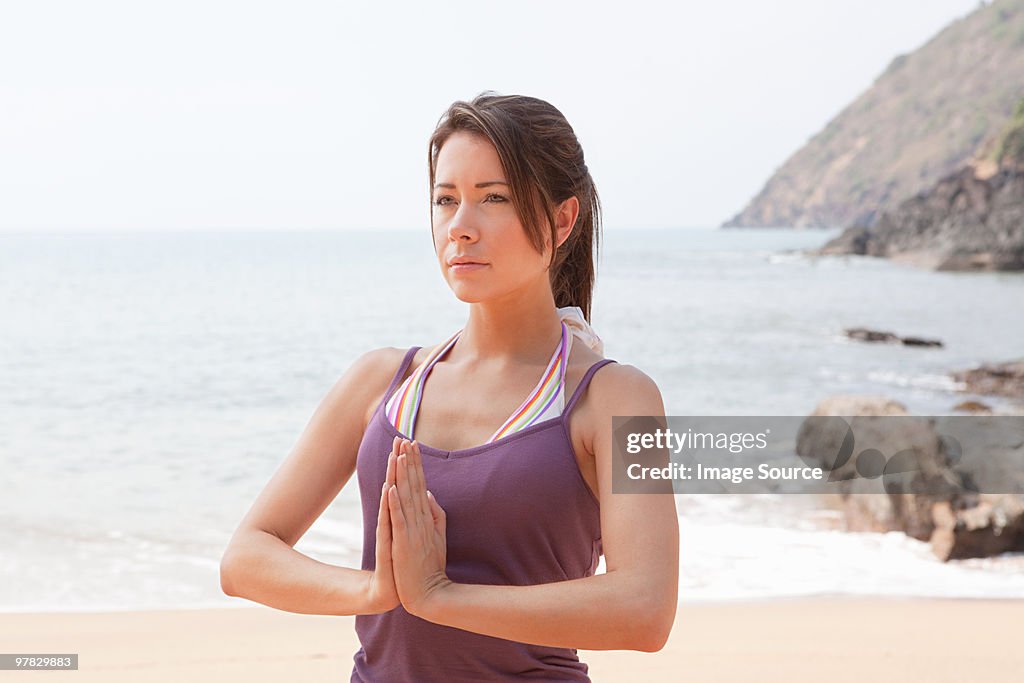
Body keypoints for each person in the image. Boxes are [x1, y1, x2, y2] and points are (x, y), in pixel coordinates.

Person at [220, 92, 679, 682]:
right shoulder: (382, 381)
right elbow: (246, 558)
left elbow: (646, 611)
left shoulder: (619, 399)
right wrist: (377, 590)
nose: (460, 227)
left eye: (495, 198)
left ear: (563, 220)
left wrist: (440, 597)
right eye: (446, 199)